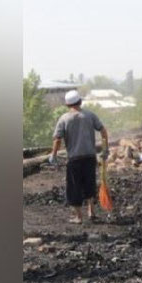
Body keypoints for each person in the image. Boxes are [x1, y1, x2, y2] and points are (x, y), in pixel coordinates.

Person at [49, 90, 109, 224]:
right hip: (89, 157)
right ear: (80, 102)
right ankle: (91, 212)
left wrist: (53, 155)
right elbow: (103, 130)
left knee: (74, 187)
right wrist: (106, 149)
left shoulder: (64, 118)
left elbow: (57, 139)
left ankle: (78, 217)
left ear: (67, 105)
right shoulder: (89, 115)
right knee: (89, 184)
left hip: (74, 159)